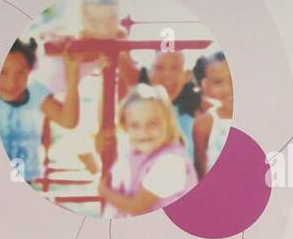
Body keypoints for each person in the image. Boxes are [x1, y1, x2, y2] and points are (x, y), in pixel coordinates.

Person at [98, 84, 197, 217]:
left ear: (168, 123)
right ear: (125, 126)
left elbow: (135, 207)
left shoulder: (171, 162)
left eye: (153, 123)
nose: (143, 132)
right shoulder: (135, 153)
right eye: (134, 125)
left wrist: (104, 192)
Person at [0, 38, 82, 184]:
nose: (11, 83)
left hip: (24, 178)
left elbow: (68, 120)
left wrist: (73, 76)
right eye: (2, 73)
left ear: (29, 72)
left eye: (20, 73)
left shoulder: (35, 92)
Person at [143, 50, 201, 159]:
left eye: (176, 68)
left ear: (187, 75)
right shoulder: (136, 112)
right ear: (149, 73)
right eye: (159, 67)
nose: (167, 75)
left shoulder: (196, 115)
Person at [193, 51, 233, 179]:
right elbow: (201, 169)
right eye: (217, 82)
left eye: (234, 79)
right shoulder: (204, 123)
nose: (228, 88)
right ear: (206, 85)